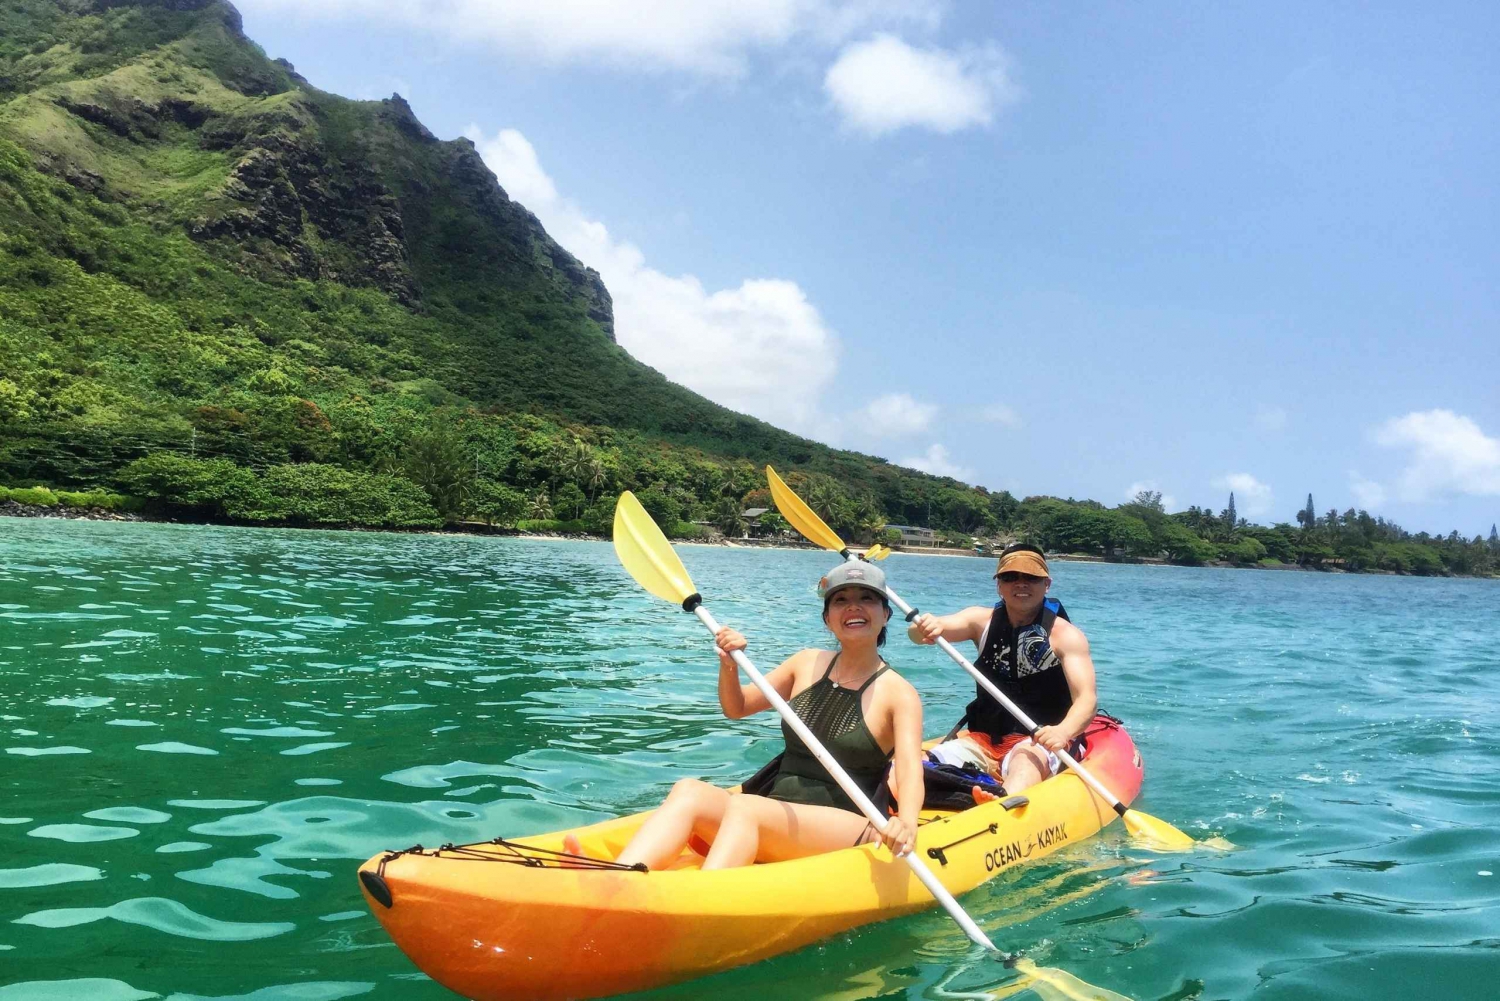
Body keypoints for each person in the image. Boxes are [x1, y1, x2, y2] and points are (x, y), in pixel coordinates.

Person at [593, 562, 926, 871]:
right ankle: (619, 880)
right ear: (828, 619)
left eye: (866, 599)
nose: (853, 606)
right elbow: (737, 707)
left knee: (747, 807)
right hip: (777, 815)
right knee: (689, 791)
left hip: (848, 823)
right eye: (840, 600)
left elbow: (910, 770)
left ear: (885, 615)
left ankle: (706, 899)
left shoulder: (899, 693)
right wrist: (728, 665)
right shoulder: (805, 663)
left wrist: (907, 822)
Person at [907, 543, 1097, 794]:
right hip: (983, 740)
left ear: (1046, 584)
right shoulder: (979, 620)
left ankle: (1000, 807)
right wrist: (923, 628)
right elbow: (921, 632)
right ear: (999, 585)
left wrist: (1062, 732)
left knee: (1023, 764)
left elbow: (1087, 700)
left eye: (1031, 577)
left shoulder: (1066, 635)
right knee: (913, 768)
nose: (1020, 583)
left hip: (1037, 742)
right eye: (1010, 577)